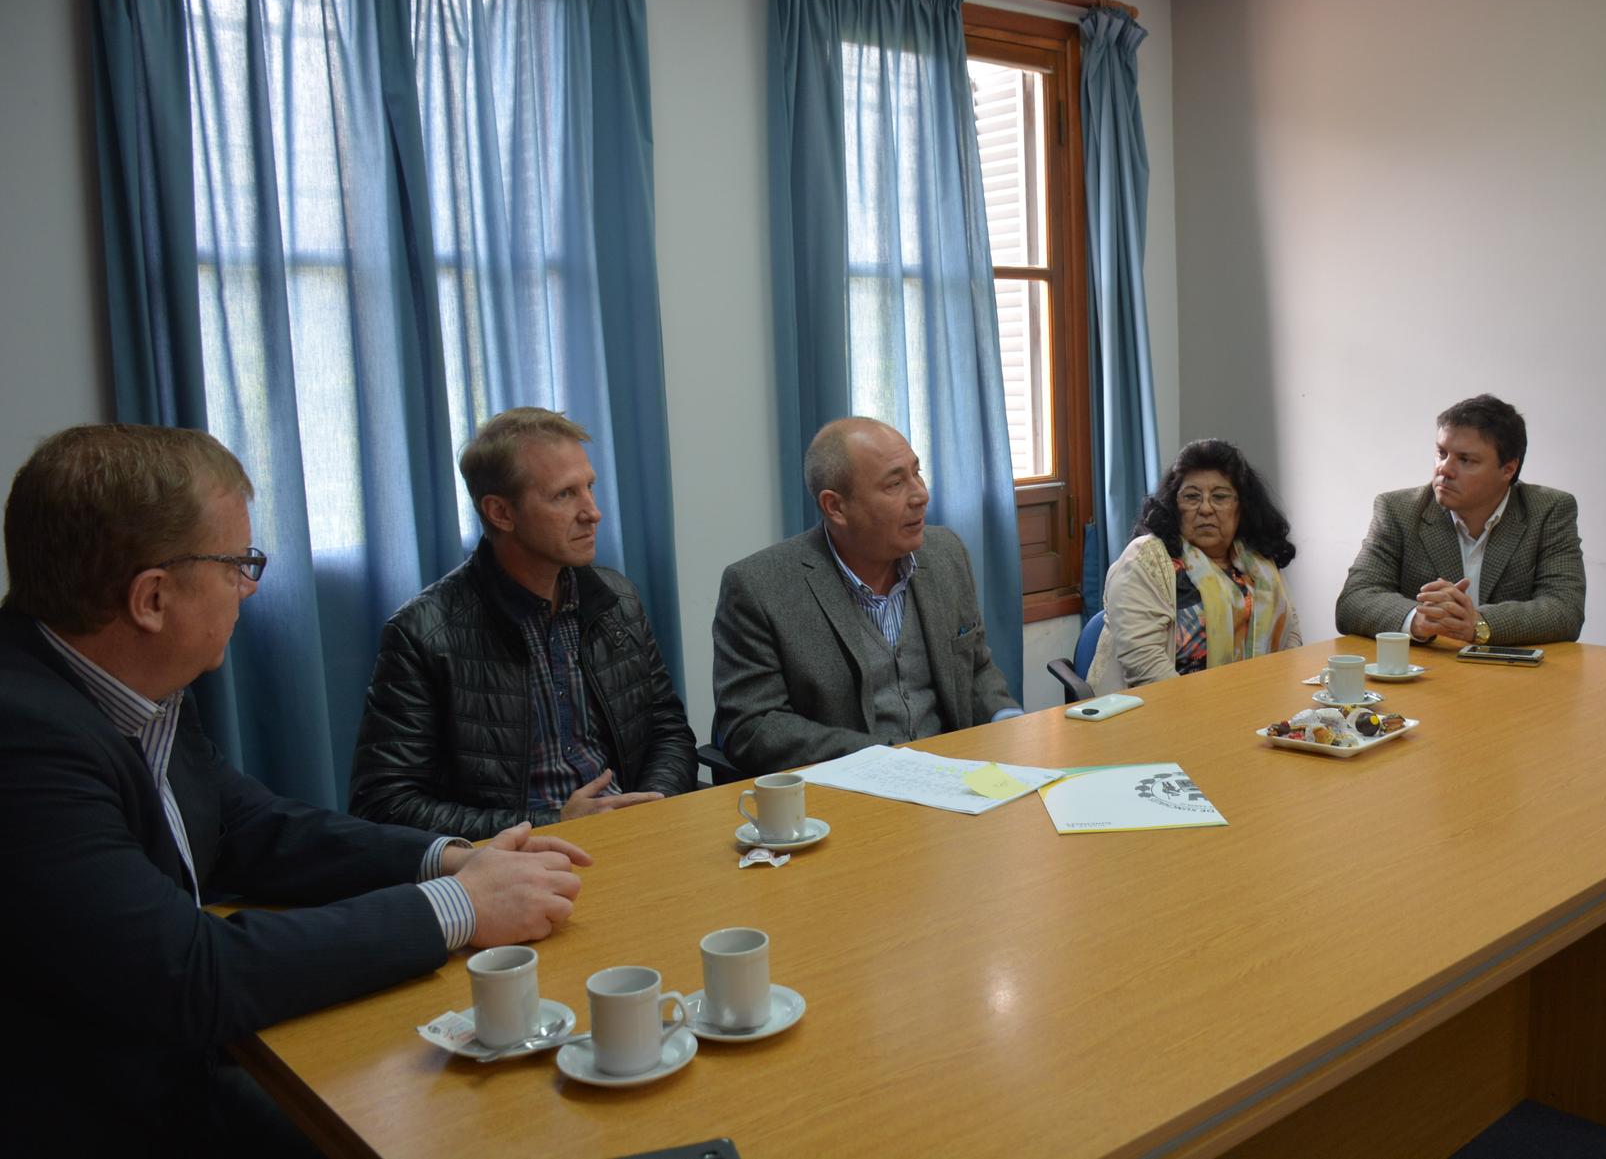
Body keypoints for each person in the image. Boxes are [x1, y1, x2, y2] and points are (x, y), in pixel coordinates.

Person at [0, 423, 588, 1154]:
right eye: (237, 564)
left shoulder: (129, 683)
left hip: (179, 1073)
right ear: (151, 598)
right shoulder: (23, 737)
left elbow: (247, 824)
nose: (249, 588)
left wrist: (449, 858)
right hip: (108, 1118)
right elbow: (188, 973)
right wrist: (459, 908)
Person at [351, 408, 695, 840]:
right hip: (515, 855)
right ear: (501, 512)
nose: (592, 512)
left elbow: (667, 729)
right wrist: (557, 824)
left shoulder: (617, 600)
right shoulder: (423, 633)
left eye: (589, 487)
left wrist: (649, 806)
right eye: (564, 495)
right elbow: (385, 804)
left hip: (634, 832)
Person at [711, 417, 1019, 776]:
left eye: (916, 473)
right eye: (895, 484)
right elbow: (753, 726)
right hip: (846, 791)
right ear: (836, 507)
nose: (921, 495)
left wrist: (1006, 718)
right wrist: (881, 757)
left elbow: (976, 668)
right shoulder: (760, 587)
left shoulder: (945, 553)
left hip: (960, 779)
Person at [1335, 393, 1585, 645]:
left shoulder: (1548, 511)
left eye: (1465, 460)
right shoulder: (1398, 510)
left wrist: (1478, 623)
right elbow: (1354, 600)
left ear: (1508, 469)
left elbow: (1565, 609)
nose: (1444, 469)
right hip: (1428, 666)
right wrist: (1419, 619)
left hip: (1511, 667)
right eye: (1441, 453)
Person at [1086, 439, 1302, 693]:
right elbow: (1144, 664)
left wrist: (1279, 694)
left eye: (1220, 497)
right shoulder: (1145, 559)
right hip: (1157, 705)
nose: (1206, 508)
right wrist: (1210, 710)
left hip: (1252, 701)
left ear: (1241, 506)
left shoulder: (1257, 561)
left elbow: (1290, 632)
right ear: (1174, 504)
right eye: (1191, 497)